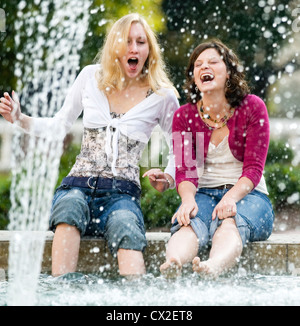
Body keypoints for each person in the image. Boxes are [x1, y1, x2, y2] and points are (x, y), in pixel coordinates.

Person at [0, 13, 179, 278]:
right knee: (68, 208)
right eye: (127, 41)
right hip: (77, 186)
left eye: (140, 42)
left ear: (149, 49)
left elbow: (180, 147)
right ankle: (63, 293)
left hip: (122, 195)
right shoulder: (90, 77)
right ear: (115, 47)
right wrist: (19, 119)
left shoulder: (162, 95)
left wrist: (170, 176)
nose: (133, 48)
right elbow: (60, 125)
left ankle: (134, 303)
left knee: (127, 226)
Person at [160, 39, 274, 278]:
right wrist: (188, 199)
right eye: (198, 65)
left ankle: (214, 266)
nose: (204, 67)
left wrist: (231, 197)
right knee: (188, 224)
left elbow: (253, 169)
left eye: (213, 62)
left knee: (230, 221)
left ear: (229, 73)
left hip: (250, 195)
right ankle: (173, 263)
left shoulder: (252, 107)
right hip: (204, 193)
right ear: (194, 78)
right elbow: (186, 170)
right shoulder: (185, 116)